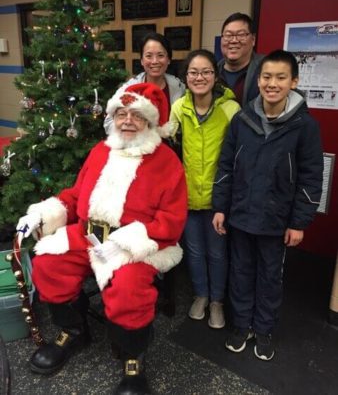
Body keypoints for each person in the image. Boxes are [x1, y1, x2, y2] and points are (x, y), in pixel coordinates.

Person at [16, 83, 188, 395]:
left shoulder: (167, 162)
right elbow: (76, 195)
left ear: (150, 123)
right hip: (88, 234)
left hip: (136, 246)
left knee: (128, 289)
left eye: (136, 115)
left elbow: (172, 221)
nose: (127, 121)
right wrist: (42, 215)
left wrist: (127, 242)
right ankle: (74, 330)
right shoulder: (101, 151)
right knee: (48, 264)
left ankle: (133, 356)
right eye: (121, 114)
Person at [212, 50, 323, 360]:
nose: (272, 83)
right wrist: (221, 207)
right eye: (266, 77)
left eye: (280, 77)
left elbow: (312, 177)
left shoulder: (305, 126)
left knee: (270, 276)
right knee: (241, 272)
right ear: (258, 80)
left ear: (294, 82)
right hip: (241, 215)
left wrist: (299, 221)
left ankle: (264, 328)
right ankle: (242, 324)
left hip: (277, 220)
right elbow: (225, 166)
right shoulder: (242, 119)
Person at [170, 49, 240, 329]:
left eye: (206, 72)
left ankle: (217, 302)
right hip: (187, 197)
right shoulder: (179, 108)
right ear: (186, 77)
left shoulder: (230, 109)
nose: (200, 77)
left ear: (215, 75)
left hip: (218, 199)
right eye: (193, 72)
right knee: (195, 252)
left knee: (217, 253)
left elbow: (239, 155)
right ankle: (200, 295)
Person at [104, 32, 185, 134]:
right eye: (149, 56)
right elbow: (108, 122)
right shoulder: (129, 89)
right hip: (137, 147)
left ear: (168, 59)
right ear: (142, 60)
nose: (154, 61)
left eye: (160, 55)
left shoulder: (179, 88)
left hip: (170, 148)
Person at [218, 12, 264, 106]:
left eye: (241, 35)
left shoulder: (266, 69)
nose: (234, 40)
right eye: (228, 35)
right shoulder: (212, 71)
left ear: (253, 40)